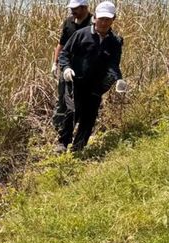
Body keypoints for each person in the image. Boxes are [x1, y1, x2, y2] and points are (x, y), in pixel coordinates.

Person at [57, 1, 126, 152]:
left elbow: (113, 64)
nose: (103, 22)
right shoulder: (81, 35)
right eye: (101, 18)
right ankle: (62, 144)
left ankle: (78, 148)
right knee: (73, 111)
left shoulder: (115, 41)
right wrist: (66, 68)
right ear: (95, 17)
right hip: (75, 81)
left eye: (107, 19)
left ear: (113, 19)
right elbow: (65, 53)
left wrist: (118, 79)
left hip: (96, 85)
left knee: (89, 116)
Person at [52, 0, 92, 153]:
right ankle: (59, 131)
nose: (72, 12)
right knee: (62, 99)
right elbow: (61, 44)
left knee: (77, 105)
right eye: (71, 8)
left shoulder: (93, 23)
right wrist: (55, 63)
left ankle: (76, 137)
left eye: (75, 9)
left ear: (84, 8)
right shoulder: (68, 22)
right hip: (66, 67)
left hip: (83, 71)